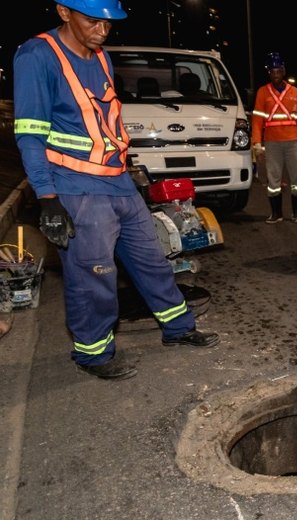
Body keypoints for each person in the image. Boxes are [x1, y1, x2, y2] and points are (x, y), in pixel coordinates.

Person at [13, 0, 219, 381]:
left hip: (118, 182)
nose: (102, 31)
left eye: (108, 24)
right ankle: (92, 353)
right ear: (63, 12)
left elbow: (105, 123)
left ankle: (178, 328)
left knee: (154, 260)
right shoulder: (36, 56)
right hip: (76, 189)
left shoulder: (102, 58)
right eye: (93, 21)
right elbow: (29, 136)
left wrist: (131, 172)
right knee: (95, 274)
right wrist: (47, 199)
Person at [251, 52, 297, 224]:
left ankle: (296, 213)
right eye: (273, 71)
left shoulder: (295, 92)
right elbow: (257, 120)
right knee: (273, 178)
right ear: (269, 73)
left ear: (283, 70)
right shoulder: (263, 92)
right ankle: (276, 213)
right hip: (272, 142)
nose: (276, 74)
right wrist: (256, 143)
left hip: (293, 141)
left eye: (278, 70)